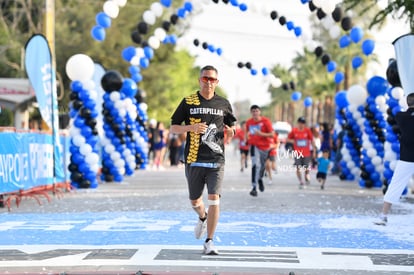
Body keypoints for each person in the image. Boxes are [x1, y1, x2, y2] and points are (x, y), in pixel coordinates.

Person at [170, 65, 237, 255]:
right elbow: (174, 127)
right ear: (200, 80)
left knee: (214, 198)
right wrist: (190, 129)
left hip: (216, 160)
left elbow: (232, 127)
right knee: (195, 201)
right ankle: (202, 217)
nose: (208, 82)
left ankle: (209, 241)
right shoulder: (189, 102)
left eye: (212, 79)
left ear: (217, 82)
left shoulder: (223, 103)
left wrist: (231, 131)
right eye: (205, 78)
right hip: (194, 159)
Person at [374, 93, 414, 226]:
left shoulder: (401, 116)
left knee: (395, 186)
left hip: (406, 157)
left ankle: (383, 216)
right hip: (407, 157)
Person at [245, 105, 274, 197]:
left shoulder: (266, 121)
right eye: (253, 111)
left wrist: (261, 134)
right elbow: (247, 132)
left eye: (256, 111)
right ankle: (254, 188)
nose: (255, 113)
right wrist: (247, 139)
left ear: (259, 112)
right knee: (255, 165)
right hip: (254, 146)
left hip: (265, 147)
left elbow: (272, 135)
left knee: (262, 167)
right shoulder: (249, 122)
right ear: (251, 113)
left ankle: (260, 179)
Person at [287, 117, 317, 189]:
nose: (301, 124)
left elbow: (312, 140)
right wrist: (292, 141)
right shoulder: (294, 131)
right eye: (300, 123)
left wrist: (314, 151)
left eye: (303, 123)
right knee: (298, 168)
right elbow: (288, 139)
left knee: (306, 168)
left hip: (306, 153)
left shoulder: (307, 131)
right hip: (297, 153)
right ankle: (301, 181)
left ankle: (306, 176)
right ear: (298, 123)